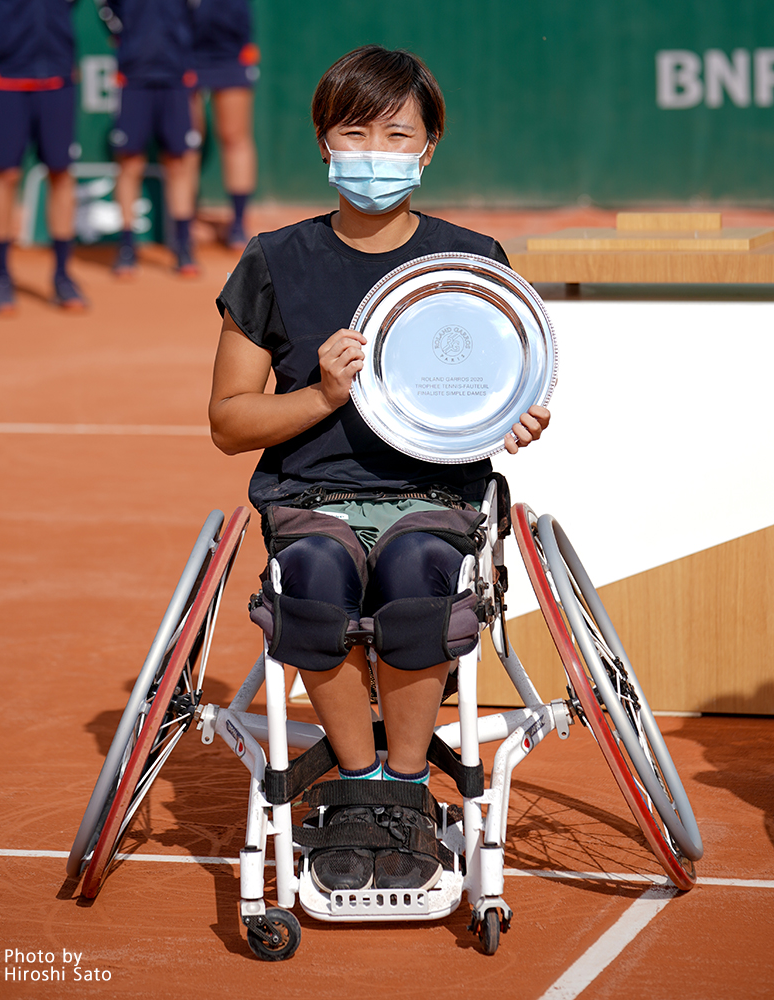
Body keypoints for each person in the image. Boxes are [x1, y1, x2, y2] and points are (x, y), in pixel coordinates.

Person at [209, 46, 550, 894]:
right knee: (314, 580)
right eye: (354, 130)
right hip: (309, 497)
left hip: (432, 498)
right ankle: (360, 785)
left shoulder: (469, 264)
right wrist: (324, 394)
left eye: (397, 133)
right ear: (324, 142)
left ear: (427, 148)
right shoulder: (272, 261)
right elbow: (229, 421)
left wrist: (516, 416)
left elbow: (503, 383)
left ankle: (405, 785)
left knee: (418, 573)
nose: (375, 150)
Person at [0, 0, 86, 313]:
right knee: (6, 173)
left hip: (57, 74)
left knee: (61, 173)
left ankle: (63, 276)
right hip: (6, 75)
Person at [95, 0, 201, 277]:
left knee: (179, 161)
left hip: (176, 72)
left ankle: (183, 246)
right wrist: (124, 31)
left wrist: (181, 37)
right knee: (130, 162)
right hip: (134, 73)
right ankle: (127, 247)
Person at [187, 0, 259, 250]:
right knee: (188, 139)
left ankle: (238, 223)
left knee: (234, 136)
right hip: (182, 47)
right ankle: (184, 222)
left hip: (231, 47)